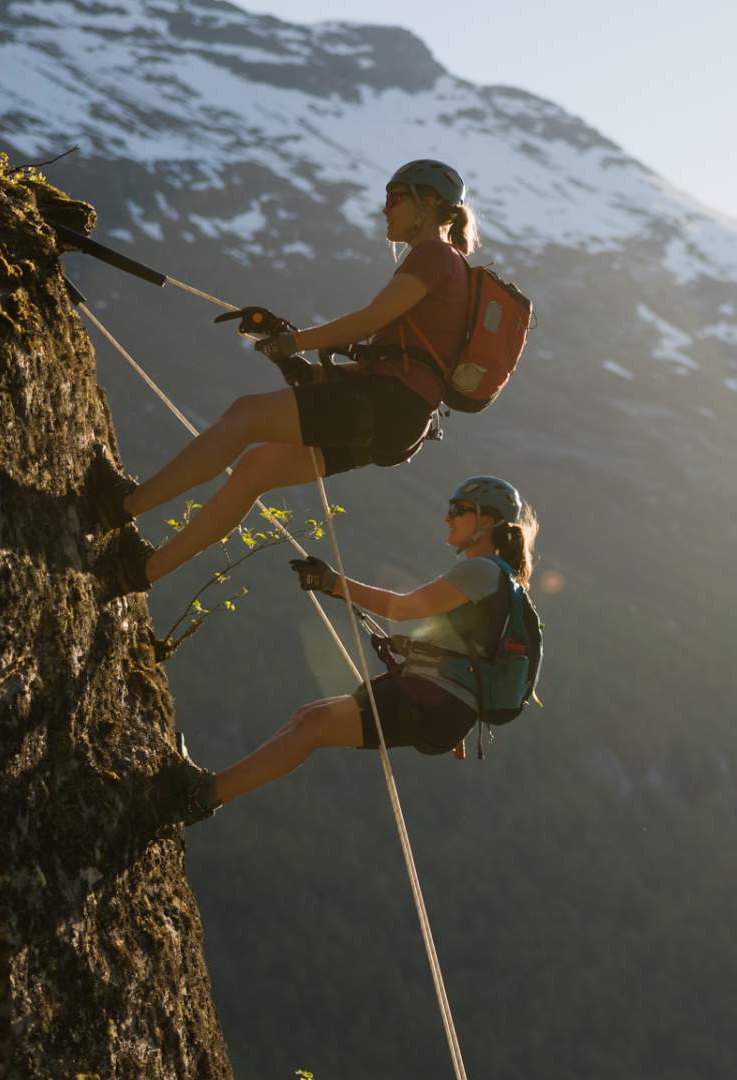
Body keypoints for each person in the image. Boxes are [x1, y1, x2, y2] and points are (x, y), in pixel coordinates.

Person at [87, 159, 481, 594]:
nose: (384, 209)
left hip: (388, 402)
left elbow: (370, 321)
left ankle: (118, 506)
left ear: (428, 203)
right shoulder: (454, 267)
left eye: (394, 198)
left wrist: (294, 343)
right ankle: (139, 572)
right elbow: (399, 363)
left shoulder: (433, 255)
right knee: (256, 468)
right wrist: (302, 365)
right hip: (401, 421)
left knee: (246, 415)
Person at [151, 476, 537, 824]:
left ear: (487, 521)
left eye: (459, 510)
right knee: (309, 718)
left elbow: (402, 608)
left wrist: (334, 583)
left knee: (313, 725)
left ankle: (199, 796)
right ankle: (204, 791)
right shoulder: (498, 578)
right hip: (440, 703)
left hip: (437, 701)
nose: (448, 518)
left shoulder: (483, 571)